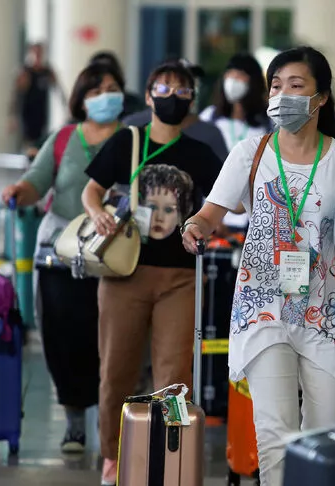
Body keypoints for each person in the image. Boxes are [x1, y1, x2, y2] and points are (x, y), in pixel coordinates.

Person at [181, 46, 335, 486]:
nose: (283, 96)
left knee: (325, 437)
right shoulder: (250, 153)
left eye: (296, 86)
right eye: (276, 86)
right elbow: (210, 213)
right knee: (274, 436)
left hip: (329, 314)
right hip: (263, 308)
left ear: (321, 98)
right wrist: (194, 225)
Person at [81, 60, 221, 486]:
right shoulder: (127, 141)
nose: (172, 96)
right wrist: (98, 212)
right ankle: (112, 457)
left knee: (174, 376)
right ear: (148, 96)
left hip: (180, 277)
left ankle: (169, 460)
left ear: (191, 100)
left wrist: (204, 225)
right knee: (117, 371)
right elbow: (92, 190)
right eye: (164, 87)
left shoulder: (199, 152)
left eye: (182, 90)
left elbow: (226, 201)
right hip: (125, 272)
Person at [1, 62, 125, 454]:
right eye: (96, 89)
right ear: (81, 99)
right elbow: (37, 183)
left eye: (112, 87)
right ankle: (74, 421)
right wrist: (18, 191)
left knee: (110, 339)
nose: (106, 95)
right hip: (61, 253)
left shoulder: (133, 138)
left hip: (115, 253)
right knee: (62, 335)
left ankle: (112, 420)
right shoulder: (64, 138)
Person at [200, 53, 273, 232]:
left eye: (240, 75)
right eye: (230, 74)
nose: (233, 80)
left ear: (253, 81)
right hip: (212, 212)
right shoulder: (209, 117)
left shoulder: (267, 123)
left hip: (251, 216)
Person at [122, 59, 228, 162]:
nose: (174, 94)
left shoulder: (209, 134)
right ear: (149, 95)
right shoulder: (131, 128)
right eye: (166, 86)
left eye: (183, 87)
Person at [10, 43, 66, 148]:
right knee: (29, 140)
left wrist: (65, 107)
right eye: (35, 52)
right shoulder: (25, 72)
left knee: (41, 139)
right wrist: (13, 116)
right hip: (28, 113)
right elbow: (16, 95)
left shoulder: (47, 71)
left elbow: (58, 89)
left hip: (42, 112)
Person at [89, 51, 146, 117]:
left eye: (112, 90)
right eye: (97, 92)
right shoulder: (79, 121)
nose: (105, 96)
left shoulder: (135, 105)